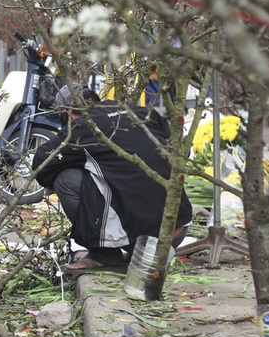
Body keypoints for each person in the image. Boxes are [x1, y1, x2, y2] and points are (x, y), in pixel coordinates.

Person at [32, 88, 193, 274]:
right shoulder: (141, 111)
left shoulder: (83, 127)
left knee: (66, 180)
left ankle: (104, 255)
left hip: (143, 243)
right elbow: (181, 151)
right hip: (177, 230)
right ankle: (133, 243)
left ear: (69, 115)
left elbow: (41, 164)